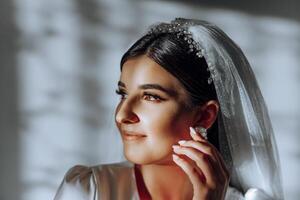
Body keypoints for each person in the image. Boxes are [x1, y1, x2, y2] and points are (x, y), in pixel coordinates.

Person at [54, 18, 284, 200]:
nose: (122, 115)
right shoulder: (88, 190)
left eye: (151, 96)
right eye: (122, 93)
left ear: (205, 115)